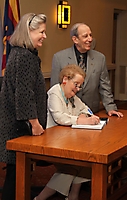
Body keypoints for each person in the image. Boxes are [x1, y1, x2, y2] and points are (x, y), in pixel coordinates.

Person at [34, 64, 100, 200]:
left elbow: (85, 108)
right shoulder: (55, 93)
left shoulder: (71, 95)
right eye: (76, 84)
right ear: (65, 80)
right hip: (50, 141)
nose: (77, 89)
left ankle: (73, 195)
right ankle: (40, 198)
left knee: (86, 160)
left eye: (80, 86)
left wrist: (89, 116)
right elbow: (60, 117)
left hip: (66, 138)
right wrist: (80, 120)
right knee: (72, 167)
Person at [0, 13, 47, 200]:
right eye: (41, 32)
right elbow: (24, 94)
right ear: (29, 31)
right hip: (18, 126)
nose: (45, 36)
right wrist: (35, 124)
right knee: (16, 173)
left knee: (18, 172)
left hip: (17, 122)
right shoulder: (25, 56)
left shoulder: (20, 53)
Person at [50, 22, 123, 118]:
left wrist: (110, 108)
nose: (90, 39)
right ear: (75, 39)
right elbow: (55, 88)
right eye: (85, 36)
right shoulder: (59, 58)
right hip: (68, 114)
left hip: (91, 111)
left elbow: (105, 87)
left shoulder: (100, 58)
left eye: (90, 35)